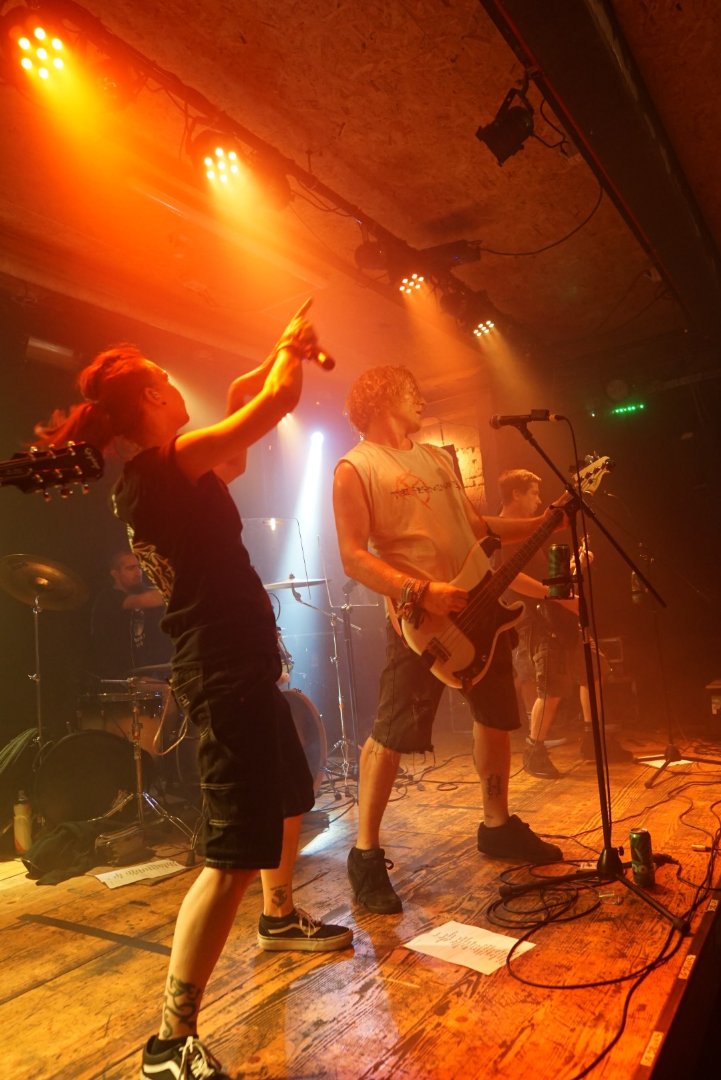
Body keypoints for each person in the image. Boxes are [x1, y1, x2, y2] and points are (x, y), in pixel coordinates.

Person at [34, 315, 352, 1080]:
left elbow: (242, 419)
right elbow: (272, 405)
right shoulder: (164, 468)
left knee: (288, 795)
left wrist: (270, 360)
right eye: (168, 382)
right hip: (222, 673)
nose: (179, 388)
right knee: (228, 856)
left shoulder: (171, 472)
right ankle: (168, 1041)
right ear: (150, 396)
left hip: (242, 666)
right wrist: (290, 346)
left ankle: (278, 919)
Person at [332, 365, 564, 917]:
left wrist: (543, 523)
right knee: (392, 732)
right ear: (382, 397)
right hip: (421, 622)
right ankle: (365, 854)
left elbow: (478, 527)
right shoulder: (355, 468)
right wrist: (419, 590)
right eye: (411, 391)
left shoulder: (438, 458)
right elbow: (352, 556)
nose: (421, 399)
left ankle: (496, 824)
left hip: (479, 604)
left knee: (494, 717)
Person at [497, 468, 631, 779]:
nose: (538, 500)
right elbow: (510, 577)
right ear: (516, 494)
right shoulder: (503, 533)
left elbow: (549, 578)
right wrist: (553, 596)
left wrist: (574, 566)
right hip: (536, 621)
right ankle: (534, 751)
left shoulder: (530, 532)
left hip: (557, 615)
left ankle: (593, 742)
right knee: (552, 687)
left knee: (593, 670)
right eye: (533, 493)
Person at [90, 549, 170, 678]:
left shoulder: (143, 590)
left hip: (148, 672)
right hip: (119, 676)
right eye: (131, 568)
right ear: (115, 574)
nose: (138, 573)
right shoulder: (108, 598)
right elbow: (147, 599)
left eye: (139, 567)